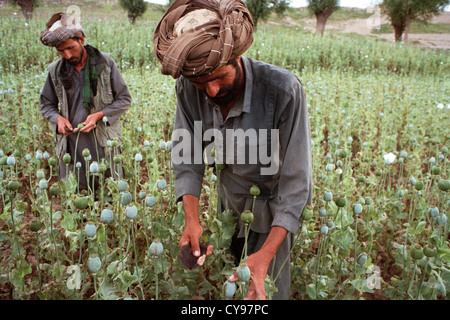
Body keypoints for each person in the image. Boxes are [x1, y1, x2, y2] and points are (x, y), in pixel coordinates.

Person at [153, 0, 312, 300]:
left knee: (265, 292)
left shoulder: (283, 90)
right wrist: (191, 219)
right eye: (201, 83)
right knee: (226, 285)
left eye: (218, 78)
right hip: (227, 206)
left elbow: (296, 184)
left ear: (237, 57)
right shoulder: (188, 88)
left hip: (272, 212)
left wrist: (266, 255)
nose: (210, 91)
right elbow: (187, 155)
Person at [40, 12, 132, 191]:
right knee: (78, 197)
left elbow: (124, 99)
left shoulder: (105, 64)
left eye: (70, 48)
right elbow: (46, 103)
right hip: (71, 146)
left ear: (81, 40)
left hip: (103, 143)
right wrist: (58, 119)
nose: (66, 55)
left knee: (110, 194)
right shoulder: (55, 71)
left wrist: (99, 115)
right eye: (60, 51)